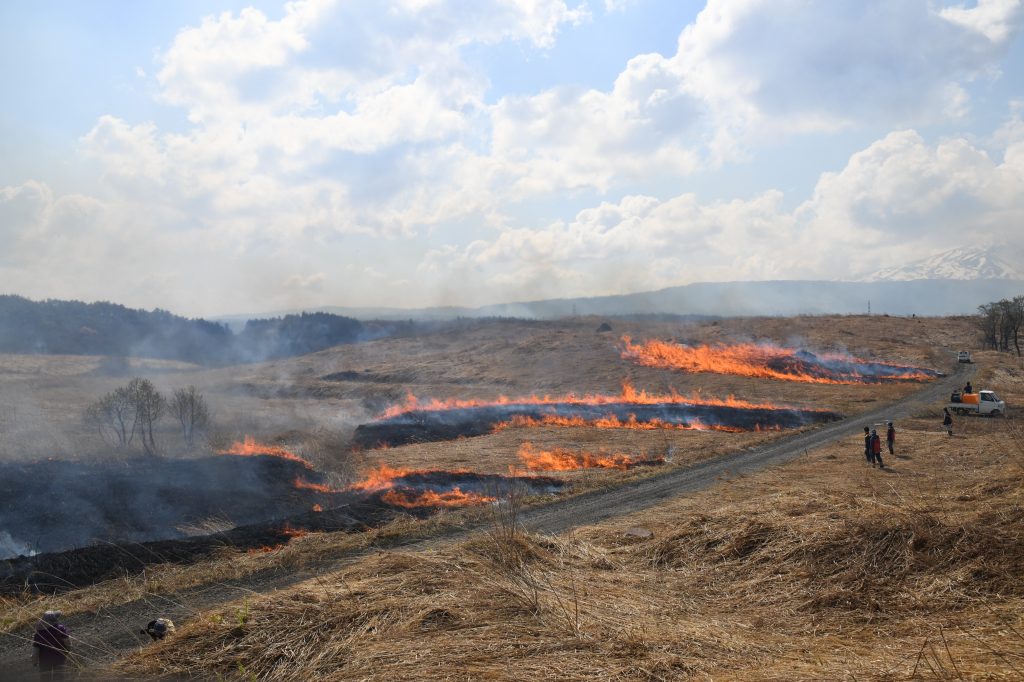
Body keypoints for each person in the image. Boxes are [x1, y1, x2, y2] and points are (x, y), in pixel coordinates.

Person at [32, 610, 70, 679]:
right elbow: (67, 642)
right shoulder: (60, 628)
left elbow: (35, 651)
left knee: (45, 679)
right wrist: (67, 651)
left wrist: (34, 662)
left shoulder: (38, 633)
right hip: (59, 658)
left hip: (44, 662)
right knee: (59, 678)